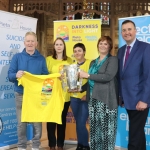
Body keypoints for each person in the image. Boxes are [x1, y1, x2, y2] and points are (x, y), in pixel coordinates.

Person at [8, 31, 49, 150]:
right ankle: (21, 147)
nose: (30, 43)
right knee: (22, 123)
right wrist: (16, 74)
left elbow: (45, 76)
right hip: (20, 94)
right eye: (28, 41)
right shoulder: (17, 57)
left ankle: (36, 146)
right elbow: (10, 75)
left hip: (36, 96)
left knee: (37, 123)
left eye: (32, 41)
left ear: (36, 43)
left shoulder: (41, 59)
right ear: (24, 43)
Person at [79, 36, 118, 150]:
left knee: (107, 132)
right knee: (95, 131)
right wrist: (79, 88)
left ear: (110, 46)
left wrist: (88, 75)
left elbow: (107, 76)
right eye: (100, 43)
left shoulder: (113, 60)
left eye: (105, 44)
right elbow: (91, 81)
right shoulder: (93, 62)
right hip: (93, 100)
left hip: (106, 100)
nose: (102, 45)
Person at [118, 20, 150, 150]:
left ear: (135, 31)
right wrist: (122, 97)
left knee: (134, 136)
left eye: (129, 29)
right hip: (127, 100)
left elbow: (149, 76)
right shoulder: (120, 51)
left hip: (140, 99)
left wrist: (144, 99)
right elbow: (122, 76)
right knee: (138, 133)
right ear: (121, 33)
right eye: (124, 30)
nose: (127, 32)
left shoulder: (146, 48)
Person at [46, 37, 72, 150]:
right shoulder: (48, 60)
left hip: (65, 95)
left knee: (61, 121)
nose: (59, 46)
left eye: (61, 44)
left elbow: (73, 77)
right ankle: (52, 145)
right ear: (54, 46)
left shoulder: (70, 60)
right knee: (51, 120)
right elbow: (45, 76)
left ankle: (60, 145)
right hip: (51, 95)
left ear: (64, 46)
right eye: (57, 44)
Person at [70, 43, 91, 150]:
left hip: (84, 98)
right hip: (73, 97)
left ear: (84, 52)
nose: (77, 53)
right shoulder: (71, 66)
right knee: (78, 122)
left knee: (81, 122)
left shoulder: (90, 63)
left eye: (79, 50)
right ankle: (80, 144)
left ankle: (85, 145)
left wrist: (87, 94)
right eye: (75, 51)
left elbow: (92, 81)